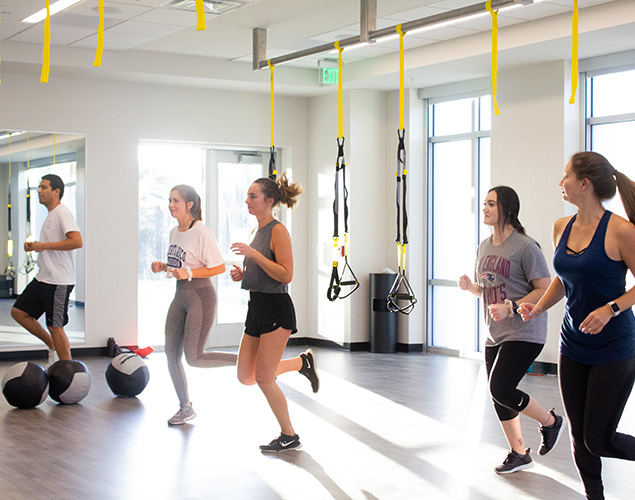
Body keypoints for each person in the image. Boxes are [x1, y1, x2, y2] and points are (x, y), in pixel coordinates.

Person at [519, 152, 635, 500]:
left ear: (585, 184)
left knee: (597, 438)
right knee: (578, 440)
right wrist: (538, 308)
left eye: (565, 176)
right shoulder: (561, 227)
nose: (561, 183)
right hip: (573, 345)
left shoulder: (621, 231)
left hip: (615, 348)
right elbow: (564, 279)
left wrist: (611, 309)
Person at [458, 186, 565, 475]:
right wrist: (473, 289)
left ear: (507, 209)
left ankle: (550, 422)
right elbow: (490, 290)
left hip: (525, 331)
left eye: (491, 204)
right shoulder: (483, 247)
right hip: (494, 332)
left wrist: (512, 306)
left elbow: (544, 289)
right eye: (484, 204)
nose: (485, 208)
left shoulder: (526, 247)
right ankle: (519, 453)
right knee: (498, 394)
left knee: (500, 387)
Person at [230, 173, 319, 453]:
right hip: (256, 306)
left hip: (275, 308)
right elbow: (266, 272)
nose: (247, 200)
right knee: (246, 375)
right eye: (247, 196)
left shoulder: (278, 230)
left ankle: (289, 435)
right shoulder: (257, 231)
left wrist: (254, 256)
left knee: (264, 379)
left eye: (253, 196)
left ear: (269, 201)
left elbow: (286, 274)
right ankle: (301, 363)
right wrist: (243, 274)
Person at [151, 184, 237, 426]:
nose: (171, 205)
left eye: (176, 200)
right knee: (171, 353)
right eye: (169, 200)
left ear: (189, 204)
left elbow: (218, 267)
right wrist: (163, 266)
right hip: (180, 297)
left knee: (194, 357)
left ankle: (245, 362)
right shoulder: (174, 231)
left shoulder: (202, 231)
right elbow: (181, 264)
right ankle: (185, 407)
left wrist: (187, 273)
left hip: (200, 296)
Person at [10, 174, 82, 364]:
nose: (39, 191)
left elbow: (77, 241)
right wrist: (35, 246)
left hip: (59, 281)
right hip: (43, 278)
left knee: (55, 326)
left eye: (44, 187)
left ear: (56, 192)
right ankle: (52, 345)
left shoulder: (62, 213)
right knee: (18, 312)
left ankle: (70, 372)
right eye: (39, 187)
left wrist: (44, 246)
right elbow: (50, 244)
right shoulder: (51, 215)